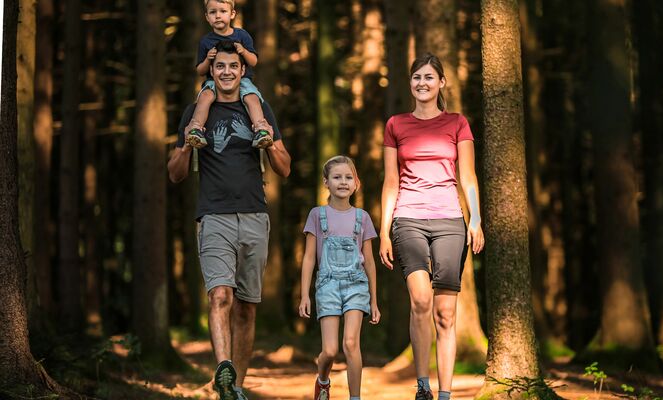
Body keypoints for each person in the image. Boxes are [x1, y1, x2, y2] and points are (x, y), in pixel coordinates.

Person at [167, 40, 291, 400]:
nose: (226, 72)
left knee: (247, 307)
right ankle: (223, 373)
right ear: (212, 70)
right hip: (214, 216)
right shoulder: (196, 113)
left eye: (232, 67)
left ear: (242, 71)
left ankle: (237, 388)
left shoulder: (260, 110)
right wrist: (190, 143)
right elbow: (175, 173)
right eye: (219, 66)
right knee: (220, 294)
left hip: (254, 215)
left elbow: (284, 168)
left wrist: (268, 143)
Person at [379, 53, 484, 400]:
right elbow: (390, 181)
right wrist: (383, 230)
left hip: (450, 221)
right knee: (421, 300)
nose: (422, 83)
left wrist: (476, 219)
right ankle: (422, 385)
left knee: (446, 312)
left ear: (441, 83)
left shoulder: (458, 123)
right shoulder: (396, 124)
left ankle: (445, 393)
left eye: (428, 77)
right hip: (408, 218)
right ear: (410, 83)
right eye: (416, 77)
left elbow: (467, 175)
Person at [299, 156, 381, 400]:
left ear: (356, 183)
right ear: (326, 182)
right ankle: (323, 379)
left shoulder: (362, 217)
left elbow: (370, 261)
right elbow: (309, 258)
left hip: (357, 285)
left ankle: (355, 397)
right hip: (327, 285)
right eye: (337, 177)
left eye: (348, 177)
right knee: (331, 350)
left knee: (351, 342)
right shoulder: (317, 215)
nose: (343, 182)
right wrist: (305, 295)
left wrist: (374, 301)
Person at [184, 0, 274, 151]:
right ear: (206, 17)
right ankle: (196, 129)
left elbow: (253, 61)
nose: (218, 16)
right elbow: (200, 70)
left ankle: (261, 130)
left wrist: (243, 51)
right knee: (205, 96)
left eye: (223, 11)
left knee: (251, 97)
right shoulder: (206, 41)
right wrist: (208, 59)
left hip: (242, 79)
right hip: (214, 81)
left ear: (232, 14)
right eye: (213, 12)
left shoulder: (242, 35)